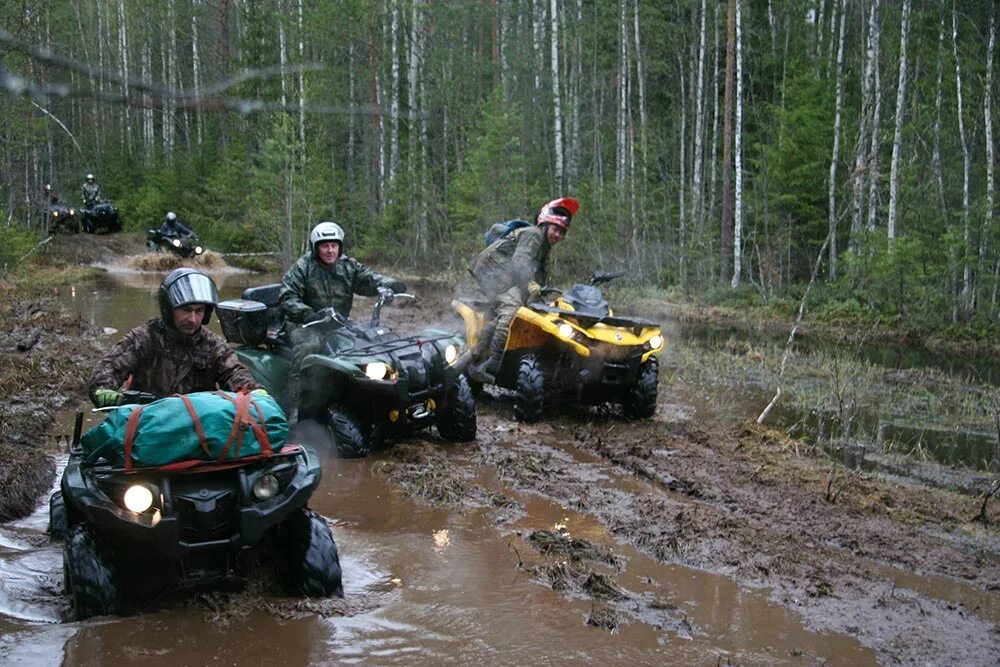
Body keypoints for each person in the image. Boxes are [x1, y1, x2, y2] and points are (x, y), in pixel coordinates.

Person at [279, 221, 407, 414]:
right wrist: (307, 314)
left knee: (365, 341)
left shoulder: (348, 266)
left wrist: (391, 285)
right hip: (304, 324)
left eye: (334, 245)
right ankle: (292, 404)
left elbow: (368, 278)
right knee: (310, 347)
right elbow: (287, 296)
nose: (330, 250)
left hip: (336, 321)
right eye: (325, 246)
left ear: (339, 246)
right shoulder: (303, 267)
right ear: (316, 248)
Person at [88, 268, 260, 407]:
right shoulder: (144, 338)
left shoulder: (213, 346)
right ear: (169, 309)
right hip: (146, 424)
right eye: (186, 310)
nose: (193, 319)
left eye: (199, 311)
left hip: (195, 428)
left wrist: (254, 392)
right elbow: (109, 368)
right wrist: (105, 391)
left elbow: (234, 373)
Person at [466, 197, 580, 384]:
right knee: (512, 310)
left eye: (562, 233)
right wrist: (530, 285)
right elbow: (521, 262)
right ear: (545, 224)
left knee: (520, 310)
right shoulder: (534, 234)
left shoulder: (544, 245)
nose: (558, 235)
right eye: (556, 229)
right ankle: (493, 363)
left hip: (503, 277)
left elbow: (540, 273)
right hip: (495, 276)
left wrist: (539, 293)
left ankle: (478, 353)